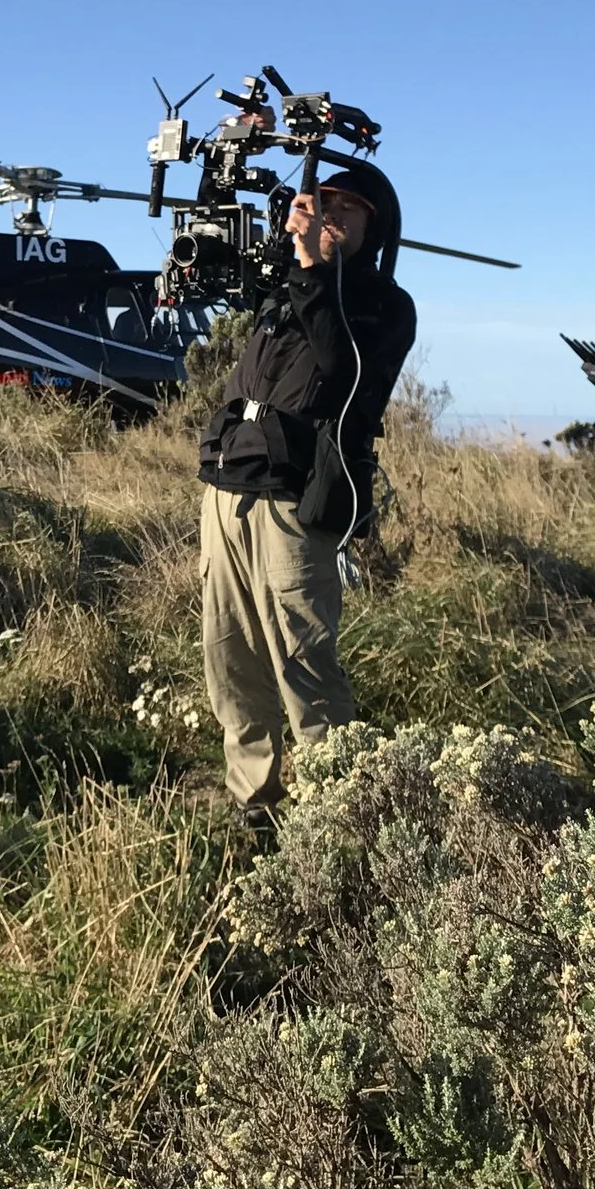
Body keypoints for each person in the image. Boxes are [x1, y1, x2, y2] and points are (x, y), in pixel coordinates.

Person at [196, 160, 417, 812]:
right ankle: (254, 804)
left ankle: (340, 815)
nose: (330, 214)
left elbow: (343, 369)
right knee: (230, 660)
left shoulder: (383, 304)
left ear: (375, 227)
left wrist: (315, 270)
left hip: (295, 503)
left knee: (305, 664)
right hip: (228, 488)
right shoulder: (286, 286)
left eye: (348, 209)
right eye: (323, 202)